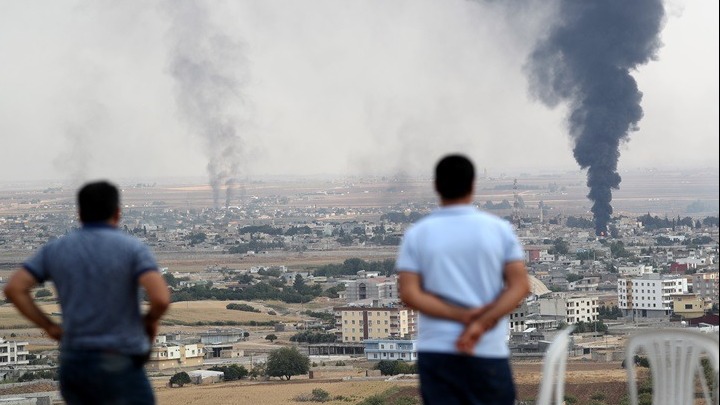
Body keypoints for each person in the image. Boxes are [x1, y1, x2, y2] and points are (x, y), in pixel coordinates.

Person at [4, 181, 170, 405]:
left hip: (75, 362)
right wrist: (147, 323)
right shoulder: (132, 248)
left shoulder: (56, 249)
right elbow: (160, 298)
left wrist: (49, 327)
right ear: (118, 212)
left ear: (80, 213)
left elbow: (15, 288)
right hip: (119, 359)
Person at [396, 154, 530, 405]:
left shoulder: (418, 234)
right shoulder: (498, 229)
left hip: (438, 351)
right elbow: (520, 286)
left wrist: (460, 316)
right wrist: (480, 321)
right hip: (487, 349)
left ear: (436, 186)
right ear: (472, 185)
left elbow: (409, 294)